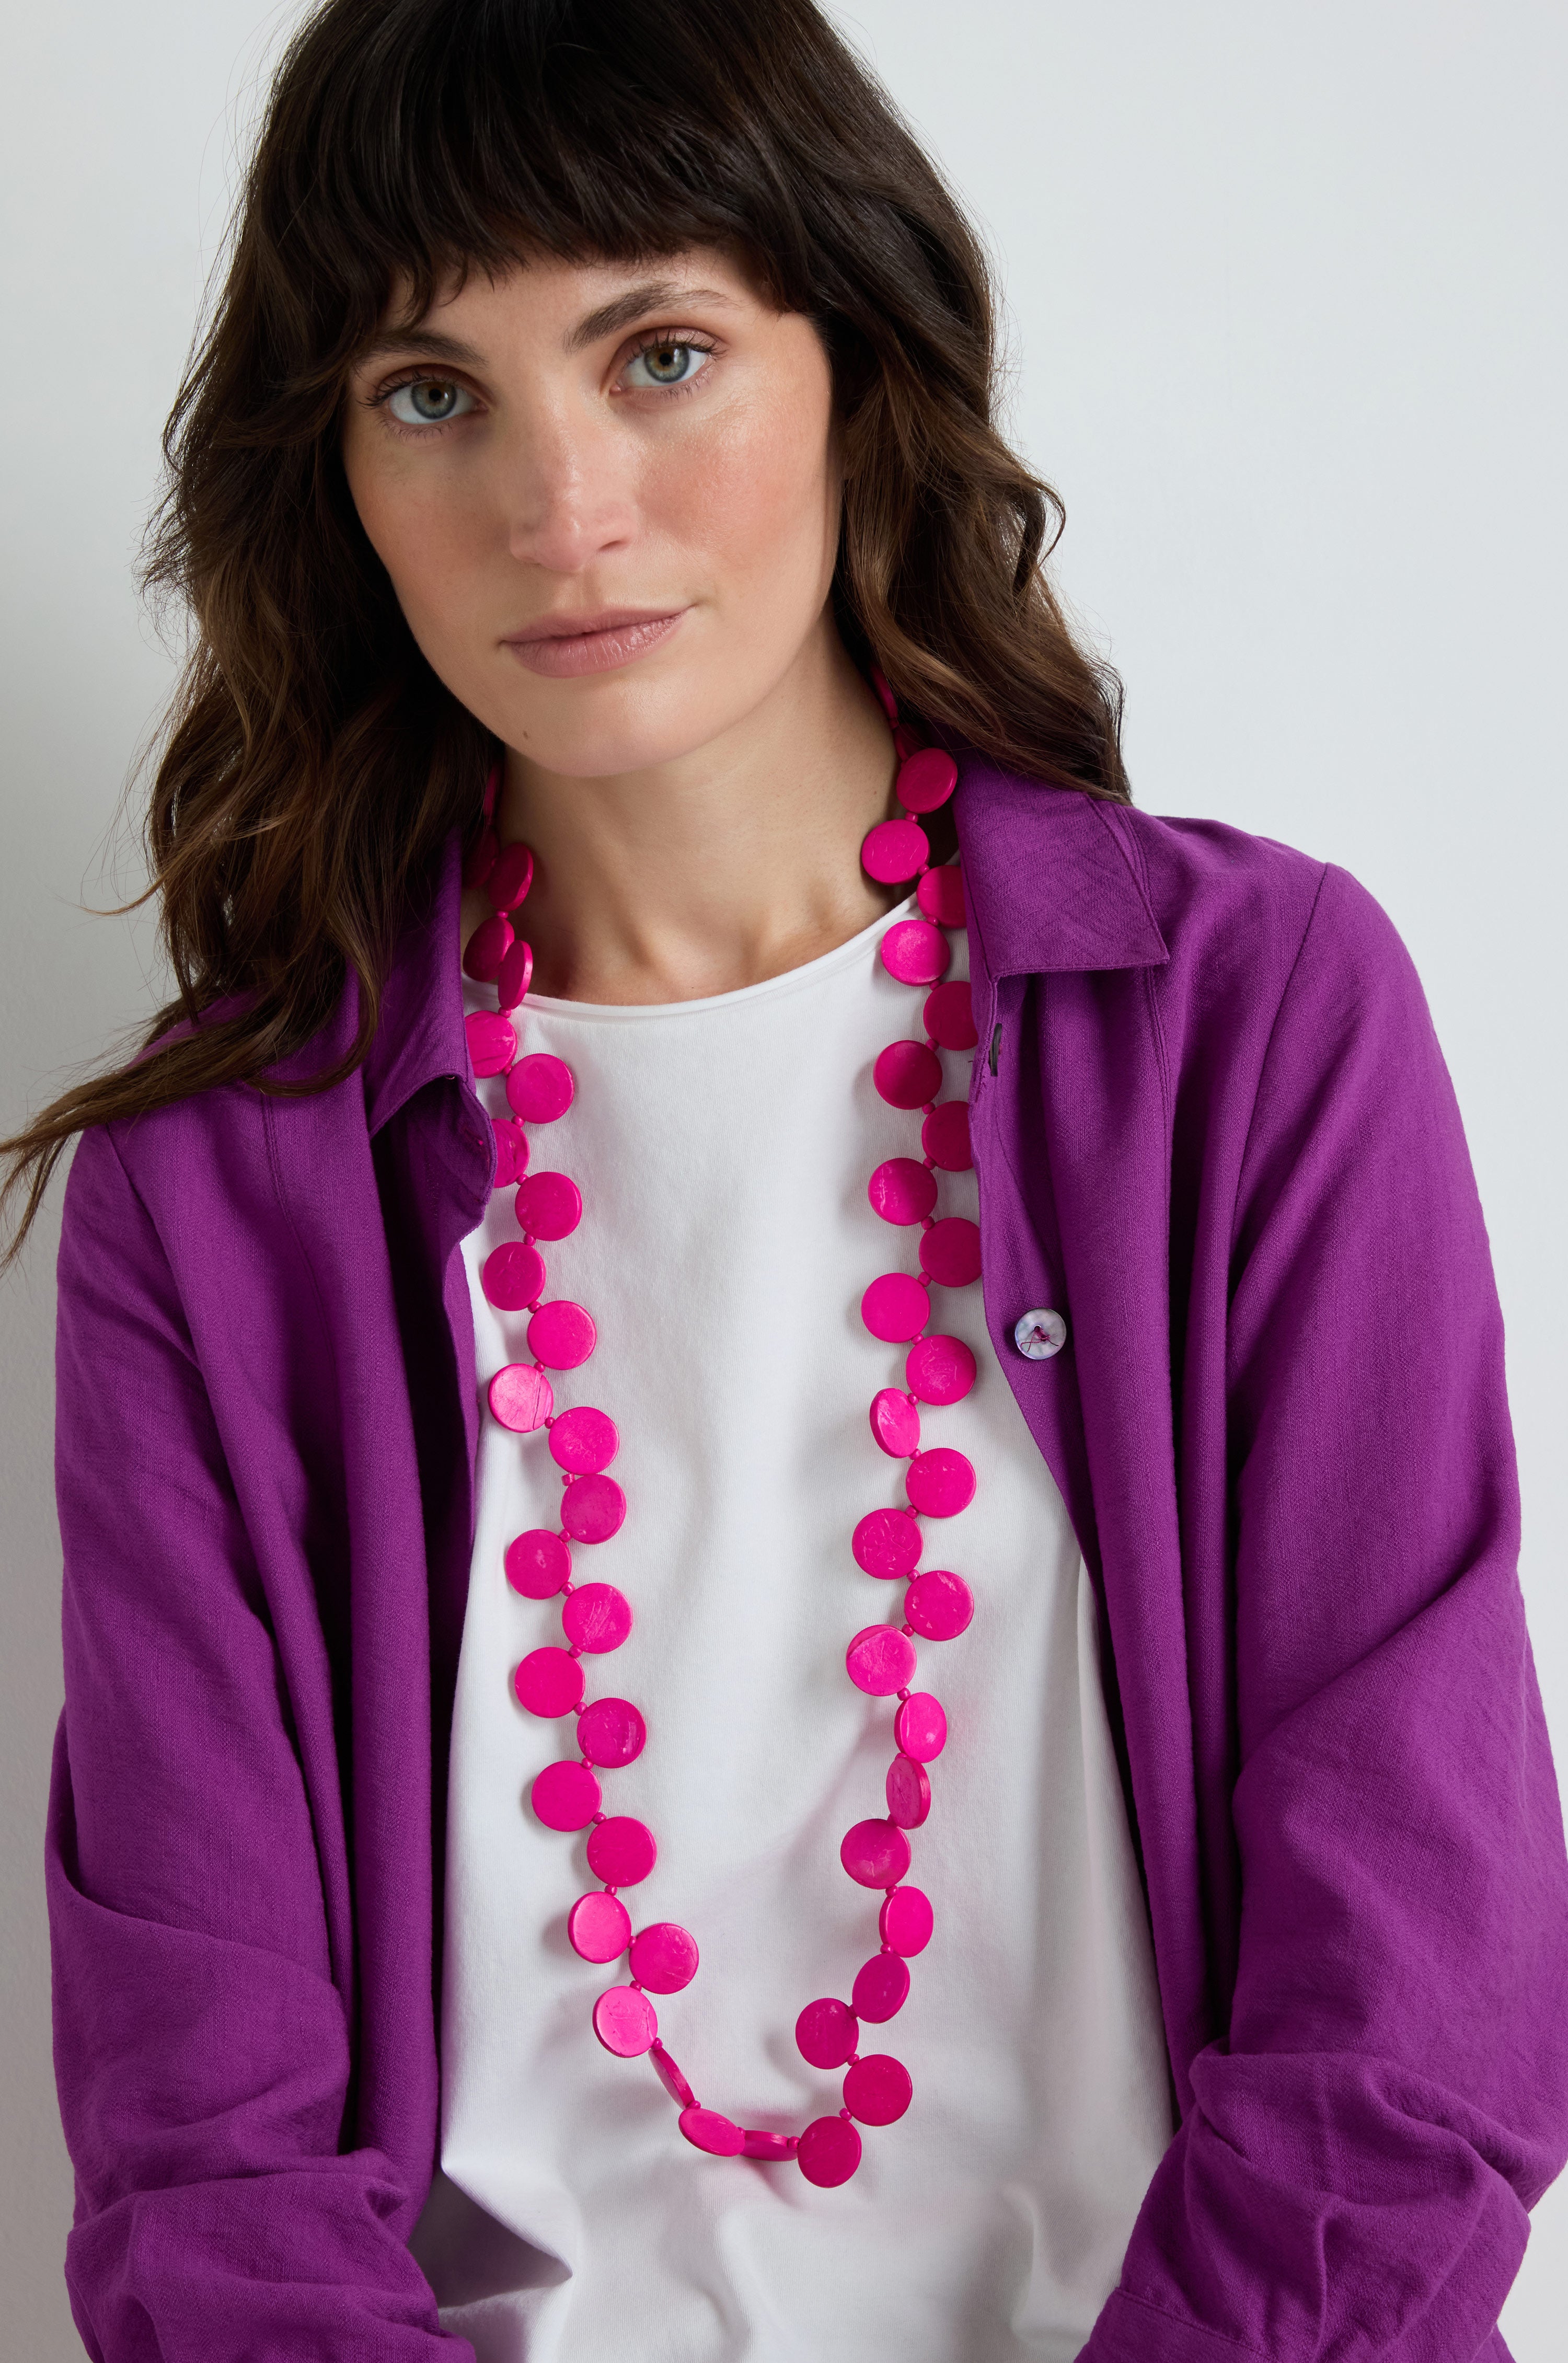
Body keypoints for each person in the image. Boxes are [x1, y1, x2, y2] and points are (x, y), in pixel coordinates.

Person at [6, 1, 1565, 2356]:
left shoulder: (1249, 1023)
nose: (561, 510)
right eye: (431, 394)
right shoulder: (215, 1193)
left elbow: (1418, 2017)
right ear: (330, 474)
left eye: (660, 355)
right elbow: (202, 2159)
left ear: (860, 361)